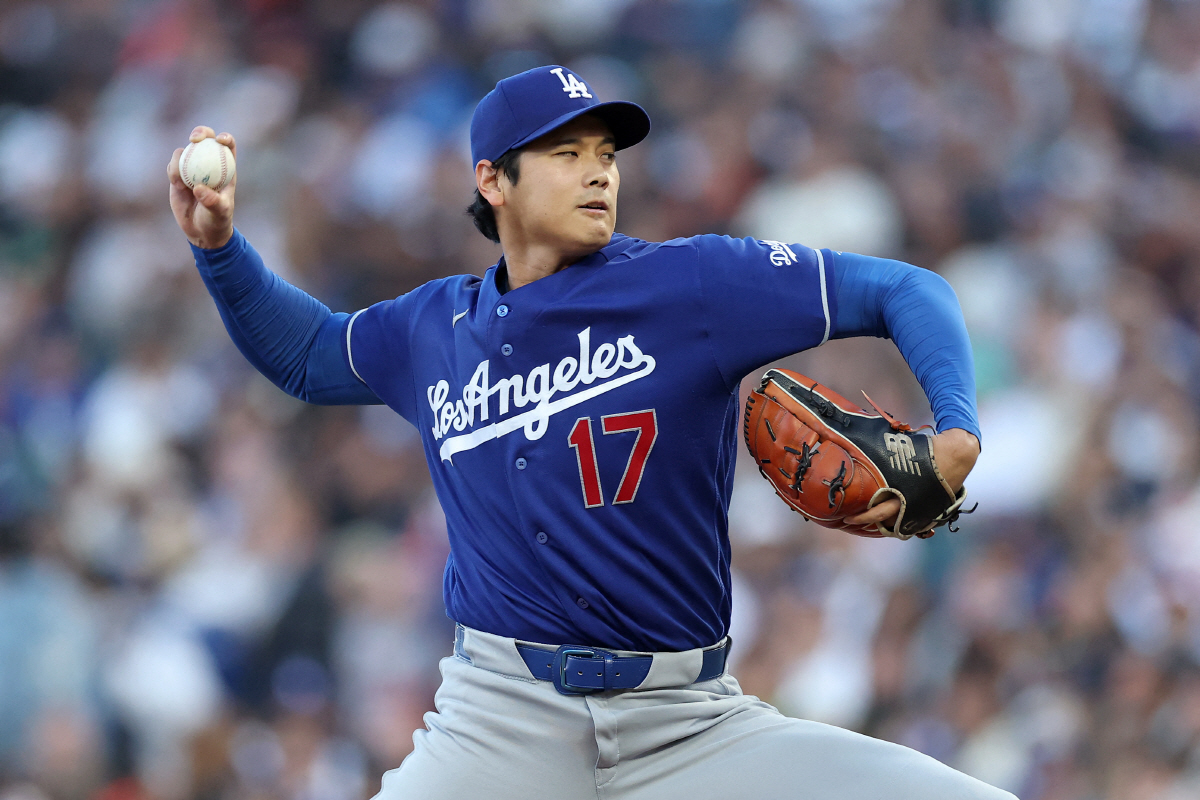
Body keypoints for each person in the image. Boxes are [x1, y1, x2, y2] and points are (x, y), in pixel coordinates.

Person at [169, 66, 1012, 799]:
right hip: (499, 721)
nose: (598, 173)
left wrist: (958, 429)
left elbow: (908, 289)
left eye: (606, 154)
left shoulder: (691, 285)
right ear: (494, 181)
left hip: (686, 724)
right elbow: (309, 355)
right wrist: (219, 248)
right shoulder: (432, 328)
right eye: (566, 154)